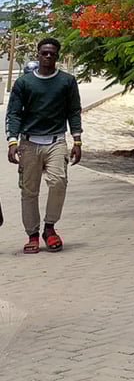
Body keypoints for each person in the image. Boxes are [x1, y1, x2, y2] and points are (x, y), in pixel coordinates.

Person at [5, 37, 82, 254]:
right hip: (29, 143)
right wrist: (12, 142)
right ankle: (32, 235)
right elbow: (13, 113)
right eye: (44, 53)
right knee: (29, 191)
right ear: (37, 54)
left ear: (57, 56)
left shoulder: (67, 81)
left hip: (56, 141)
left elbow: (74, 111)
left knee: (58, 182)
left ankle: (49, 228)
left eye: (52, 53)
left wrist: (77, 141)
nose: (48, 56)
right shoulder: (24, 83)